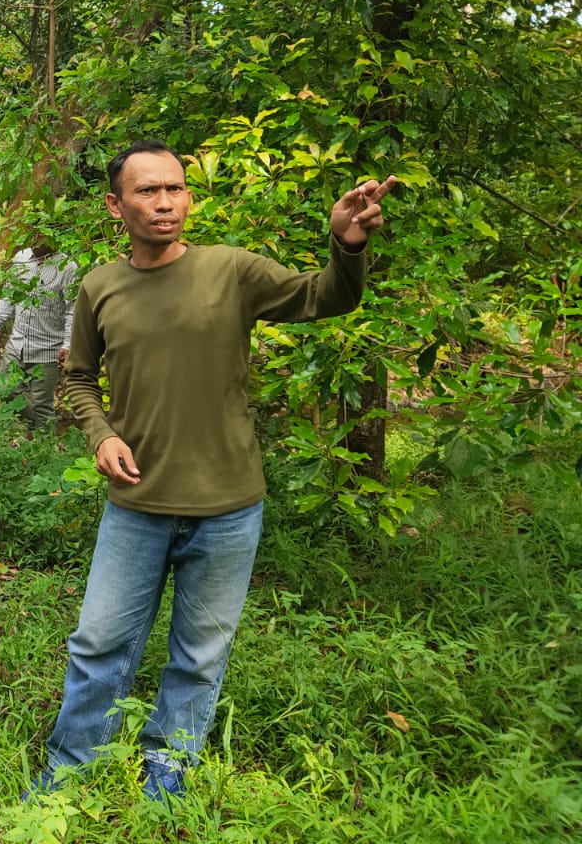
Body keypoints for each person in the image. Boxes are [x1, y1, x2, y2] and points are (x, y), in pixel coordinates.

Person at [32, 141, 396, 801]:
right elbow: (80, 379)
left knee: (199, 656)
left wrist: (346, 246)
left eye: (174, 188)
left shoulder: (231, 270)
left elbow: (325, 297)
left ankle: (167, 771)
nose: (165, 202)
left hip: (229, 507)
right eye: (147, 191)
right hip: (136, 502)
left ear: (188, 196)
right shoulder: (100, 287)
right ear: (116, 204)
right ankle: (69, 769)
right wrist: (101, 434)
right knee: (98, 645)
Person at [0, 239, 79, 433]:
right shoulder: (21, 258)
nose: (33, 241)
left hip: (48, 348)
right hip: (17, 343)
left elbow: (72, 310)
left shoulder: (68, 267)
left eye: (39, 235)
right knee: (4, 390)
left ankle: (44, 450)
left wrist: (68, 344)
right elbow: (10, 295)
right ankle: (38, 428)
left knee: (42, 405)